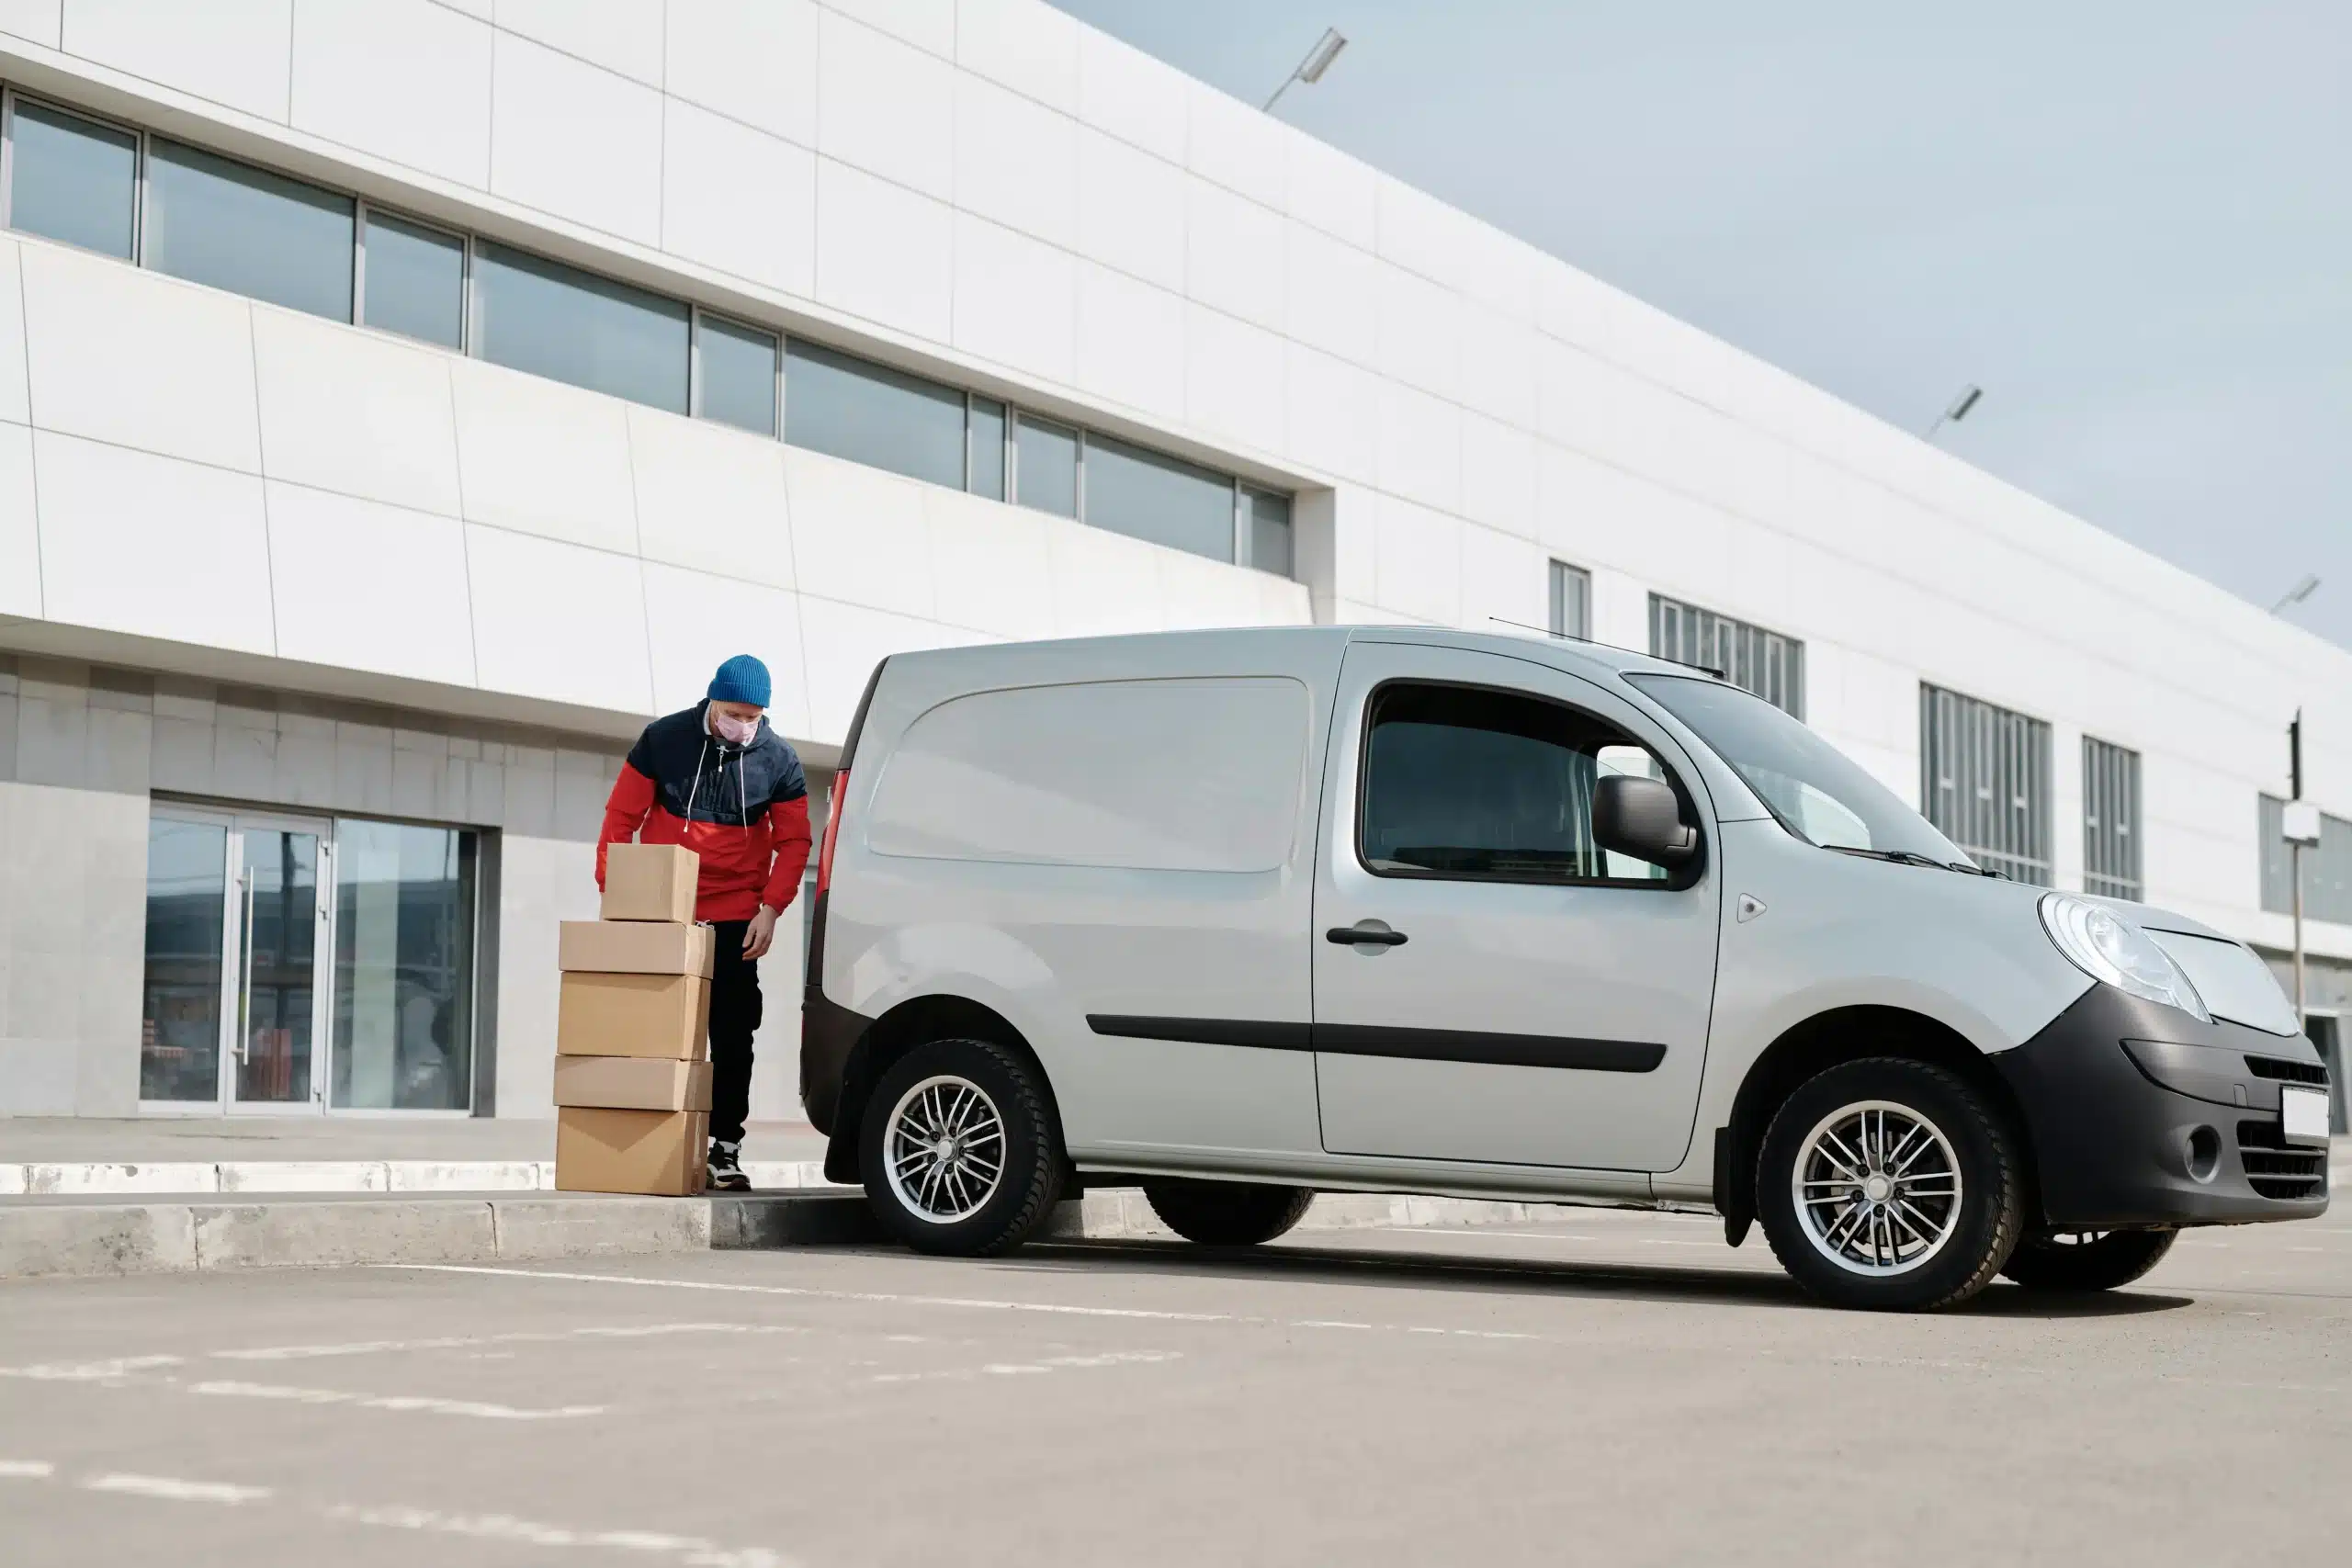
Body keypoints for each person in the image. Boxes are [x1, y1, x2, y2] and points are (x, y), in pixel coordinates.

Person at [597, 655, 811, 1191]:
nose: (745, 725)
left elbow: (794, 843)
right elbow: (621, 819)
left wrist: (772, 907)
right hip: (667, 906)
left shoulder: (779, 760)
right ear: (713, 703)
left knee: (735, 1035)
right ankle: (642, 1140)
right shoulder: (662, 740)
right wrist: (618, 891)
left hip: (739, 913)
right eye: (735, 714)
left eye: (755, 716)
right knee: (651, 1029)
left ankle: (725, 1149)